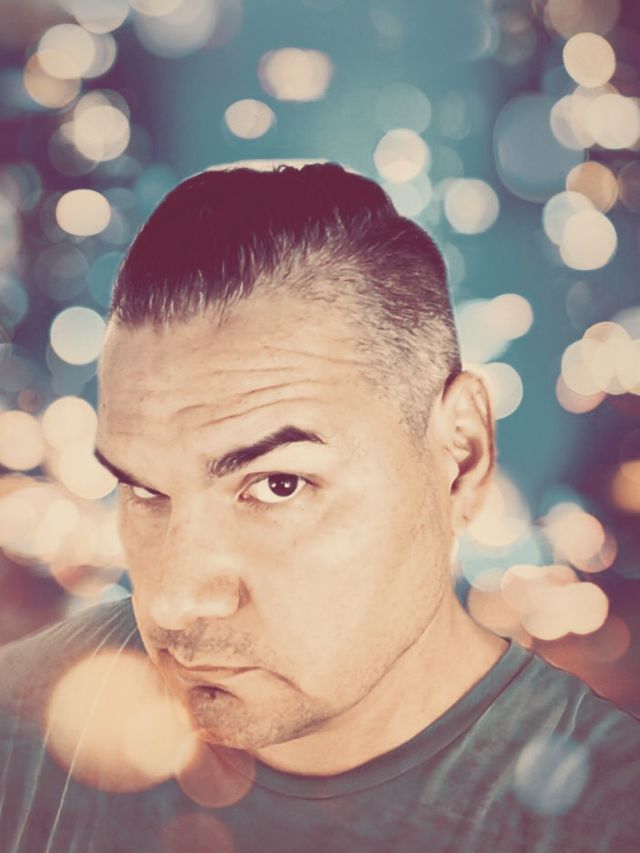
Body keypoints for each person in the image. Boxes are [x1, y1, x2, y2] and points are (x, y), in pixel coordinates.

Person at [0, 163, 638, 853]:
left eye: (278, 484)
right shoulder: (15, 732)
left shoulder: (610, 819)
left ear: (461, 455)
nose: (176, 602)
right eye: (145, 490)